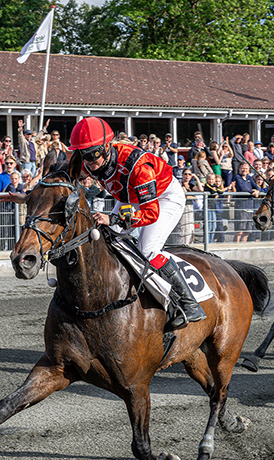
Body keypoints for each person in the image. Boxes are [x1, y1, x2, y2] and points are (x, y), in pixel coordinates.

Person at [70, 117, 205, 326]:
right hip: (128, 197)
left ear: (106, 147)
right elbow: (59, 177)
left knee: (148, 250)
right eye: (82, 155)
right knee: (105, 235)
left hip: (163, 198)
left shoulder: (140, 168)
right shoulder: (91, 161)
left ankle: (189, 304)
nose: (87, 163)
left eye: (92, 155)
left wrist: (113, 218)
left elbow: (150, 214)